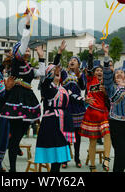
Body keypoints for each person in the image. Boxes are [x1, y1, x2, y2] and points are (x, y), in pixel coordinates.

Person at [0, 12, 44, 172]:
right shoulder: (16, 61)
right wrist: (28, 23)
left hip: (28, 102)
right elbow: (24, 40)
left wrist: (42, 57)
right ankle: (13, 169)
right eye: (25, 49)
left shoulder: (29, 68)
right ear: (18, 52)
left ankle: (12, 147)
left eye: (28, 49)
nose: (27, 49)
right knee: (15, 138)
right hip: (16, 100)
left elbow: (42, 73)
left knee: (17, 136)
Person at [102, 41, 125, 172]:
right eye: (116, 73)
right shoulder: (111, 88)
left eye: (121, 73)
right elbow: (106, 75)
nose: (118, 74)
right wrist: (106, 55)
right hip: (116, 122)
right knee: (120, 151)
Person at [35, 64, 75, 172]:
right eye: (52, 70)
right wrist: (58, 55)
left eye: (58, 70)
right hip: (51, 123)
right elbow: (46, 81)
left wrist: (84, 101)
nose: (57, 71)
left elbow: (73, 97)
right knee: (53, 156)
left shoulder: (63, 89)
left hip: (62, 123)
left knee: (58, 157)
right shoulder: (46, 87)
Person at [53, 40, 86, 168]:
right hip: (66, 106)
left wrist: (79, 76)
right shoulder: (64, 73)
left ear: (78, 64)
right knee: (66, 134)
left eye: (75, 60)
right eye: (71, 60)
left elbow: (83, 88)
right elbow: (55, 64)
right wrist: (59, 52)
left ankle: (77, 158)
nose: (72, 61)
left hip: (78, 108)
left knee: (77, 136)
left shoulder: (80, 74)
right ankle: (65, 159)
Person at [79, 41, 111, 172]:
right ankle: (92, 165)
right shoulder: (90, 80)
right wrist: (90, 51)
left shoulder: (107, 83)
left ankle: (106, 160)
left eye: (101, 70)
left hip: (103, 113)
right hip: (91, 113)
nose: (99, 71)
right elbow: (90, 66)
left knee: (107, 135)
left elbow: (111, 98)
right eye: (97, 70)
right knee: (92, 141)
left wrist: (106, 53)